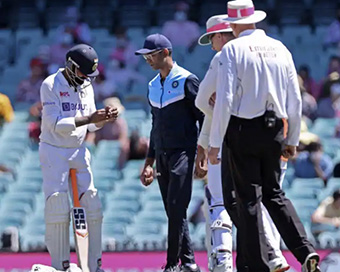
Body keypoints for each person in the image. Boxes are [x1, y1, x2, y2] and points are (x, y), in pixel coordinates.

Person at [208, 1, 320, 272]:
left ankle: (256, 266)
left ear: (232, 24)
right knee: (274, 194)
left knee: (248, 201)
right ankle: (305, 250)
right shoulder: (280, 48)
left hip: (243, 129)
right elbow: (295, 97)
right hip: (274, 130)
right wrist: (292, 138)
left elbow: (224, 99)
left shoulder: (232, 49)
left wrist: (214, 142)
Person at [195, 14, 289, 272]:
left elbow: (203, 102)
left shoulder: (224, 57)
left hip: (227, 142)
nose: (212, 45)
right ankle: (272, 256)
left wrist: (206, 142)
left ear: (221, 35)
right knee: (263, 200)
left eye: (212, 39)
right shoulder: (264, 55)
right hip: (269, 136)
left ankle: (228, 260)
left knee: (222, 201)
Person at [39, 44, 118, 272]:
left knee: (91, 202)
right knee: (57, 205)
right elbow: (55, 124)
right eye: (83, 72)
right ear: (71, 66)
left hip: (79, 148)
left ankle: (94, 265)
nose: (86, 79)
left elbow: (92, 124)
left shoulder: (86, 86)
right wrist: (89, 118)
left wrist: (103, 118)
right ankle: (61, 265)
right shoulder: (50, 85)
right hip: (54, 149)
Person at [135, 34, 204, 272]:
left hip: (184, 152)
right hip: (162, 155)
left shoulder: (187, 80)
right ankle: (189, 262)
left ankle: (172, 264)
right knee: (173, 210)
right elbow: (155, 127)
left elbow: (203, 118)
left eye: (150, 55)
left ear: (166, 53)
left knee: (176, 206)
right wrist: (149, 162)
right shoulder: (153, 86)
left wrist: (203, 153)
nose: (147, 60)